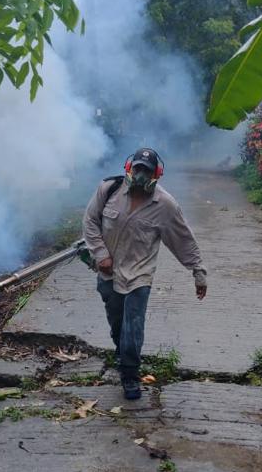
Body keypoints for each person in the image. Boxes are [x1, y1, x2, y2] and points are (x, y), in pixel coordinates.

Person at [82, 147, 207, 400]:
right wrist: (101, 254)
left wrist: (198, 272)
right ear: (129, 168)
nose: (140, 175)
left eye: (146, 171)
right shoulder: (108, 190)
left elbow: (183, 240)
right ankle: (121, 351)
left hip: (140, 274)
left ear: (156, 174)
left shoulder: (165, 205)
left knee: (133, 325)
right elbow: (90, 222)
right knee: (117, 323)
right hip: (108, 272)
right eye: (137, 168)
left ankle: (130, 375)